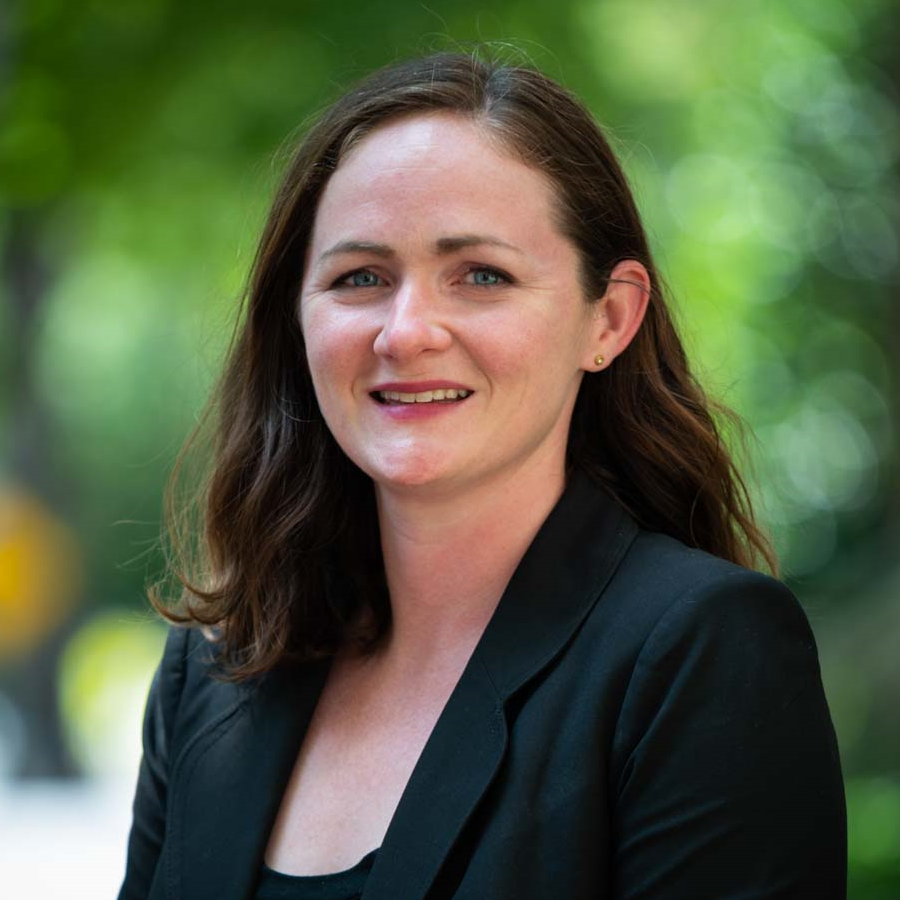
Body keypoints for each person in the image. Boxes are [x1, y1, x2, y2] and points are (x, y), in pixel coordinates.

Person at [117, 51, 846, 900]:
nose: (407, 330)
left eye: (481, 276)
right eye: (361, 278)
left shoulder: (699, 653)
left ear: (608, 318)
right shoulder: (210, 679)